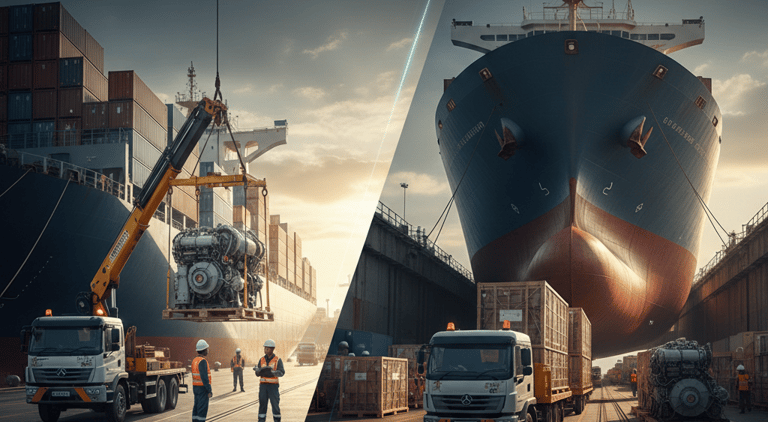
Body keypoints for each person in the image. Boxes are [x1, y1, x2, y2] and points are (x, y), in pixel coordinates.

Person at [255, 339, 284, 422]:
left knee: (275, 405)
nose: (265, 350)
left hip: (273, 387)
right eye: (265, 348)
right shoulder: (261, 360)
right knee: (262, 405)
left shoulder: (278, 360)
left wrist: (272, 373)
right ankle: (261, 420)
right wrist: (258, 371)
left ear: (272, 349)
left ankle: (277, 420)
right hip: (263, 387)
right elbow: (257, 372)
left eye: (267, 349)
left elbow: (281, 372)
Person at [192, 339, 213, 422]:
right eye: (207, 349)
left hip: (195, 387)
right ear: (204, 350)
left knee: (196, 408)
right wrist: (209, 390)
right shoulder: (203, 361)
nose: (208, 350)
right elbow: (204, 378)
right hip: (203, 388)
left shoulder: (194, 361)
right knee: (202, 409)